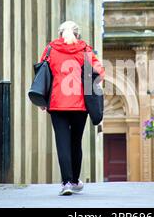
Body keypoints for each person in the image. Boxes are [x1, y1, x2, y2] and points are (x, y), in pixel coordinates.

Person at [39, 21, 105, 196]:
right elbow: (99, 73)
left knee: (62, 143)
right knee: (75, 142)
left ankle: (66, 182)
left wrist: (42, 100)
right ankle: (75, 180)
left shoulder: (50, 50)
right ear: (78, 35)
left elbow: (42, 75)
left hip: (57, 103)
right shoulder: (85, 50)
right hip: (79, 105)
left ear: (60, 34)